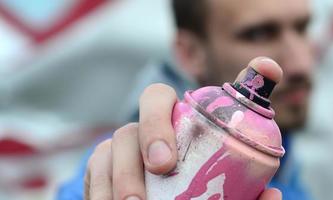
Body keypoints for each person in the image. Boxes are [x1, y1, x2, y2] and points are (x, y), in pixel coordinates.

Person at [58, 0, 315, 199]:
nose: (301, 63)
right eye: (258, 34)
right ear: (191, 52)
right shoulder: (129, 168)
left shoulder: (286, 160)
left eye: (302, 28)